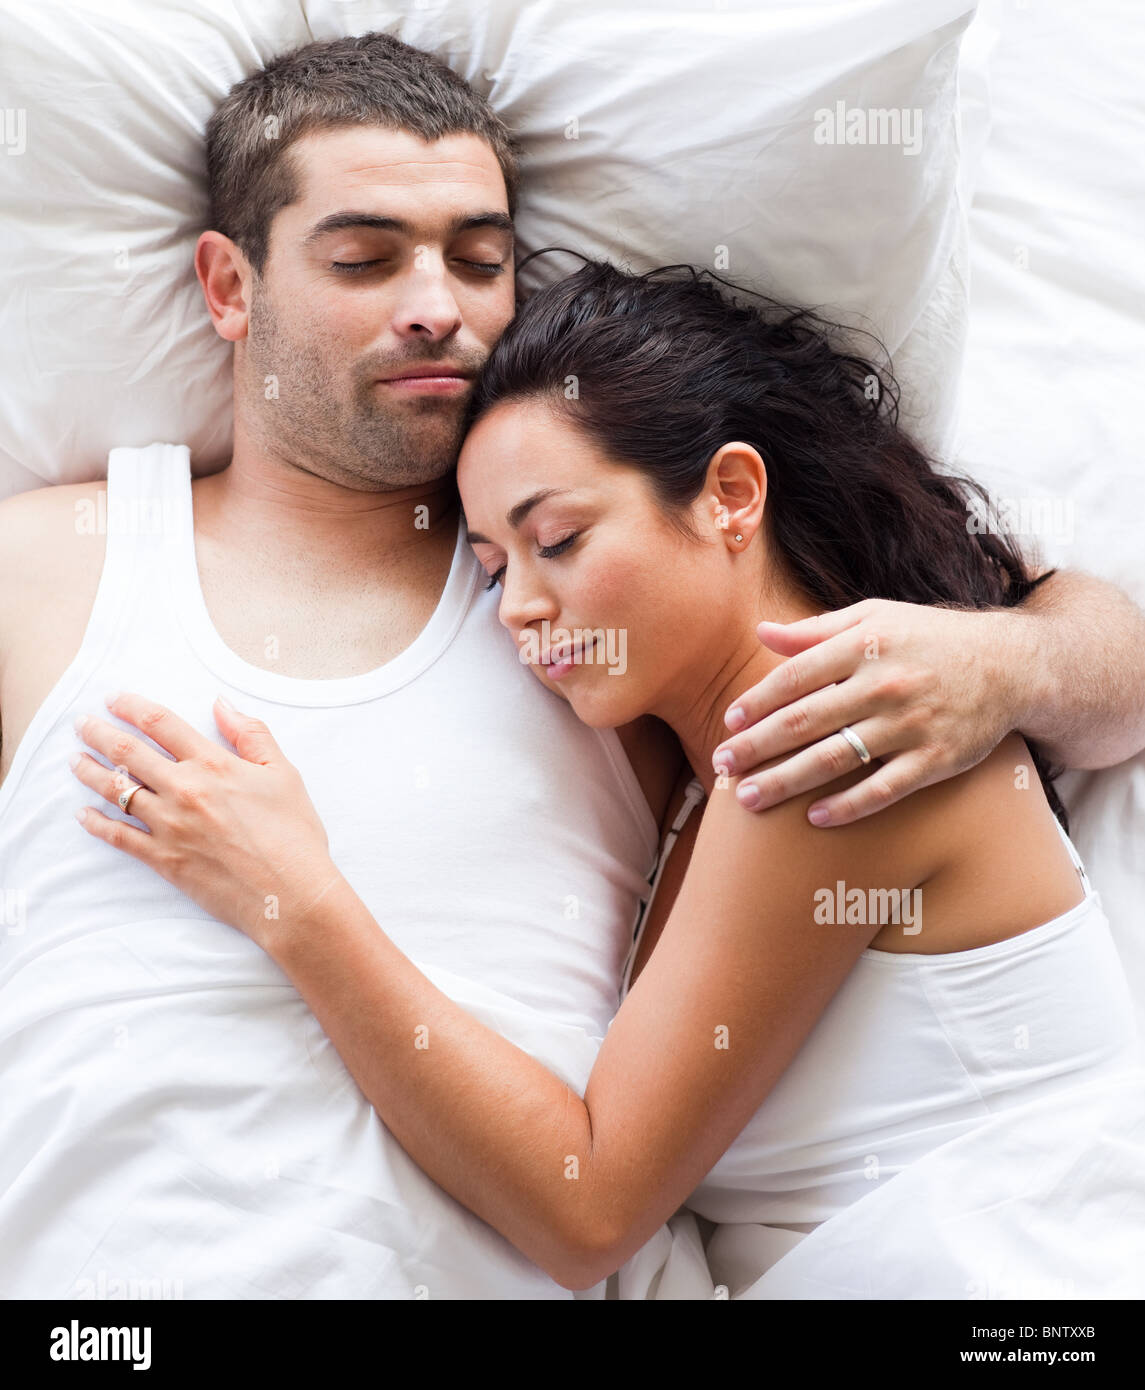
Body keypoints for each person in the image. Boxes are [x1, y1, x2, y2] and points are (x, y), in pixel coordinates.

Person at [2, 30, 1143, 1299]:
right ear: (229, 286)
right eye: (363, 257)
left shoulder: (818, 712)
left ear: (726, 497)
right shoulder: (661, 689)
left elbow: (592, 1200)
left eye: (480, 260)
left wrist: (1005, 659)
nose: (436, 302)